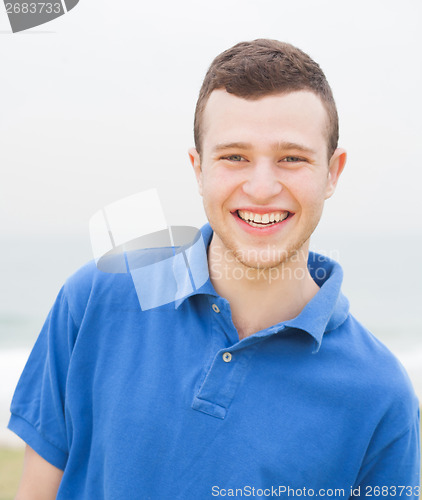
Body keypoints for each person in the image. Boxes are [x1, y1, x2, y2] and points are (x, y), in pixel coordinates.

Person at [9, 39, 420, 499]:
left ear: (332, 172)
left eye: (292, 158)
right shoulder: (93, 299)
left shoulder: (381, 396)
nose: (262, 188)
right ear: (198, 167)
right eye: (234, 157)